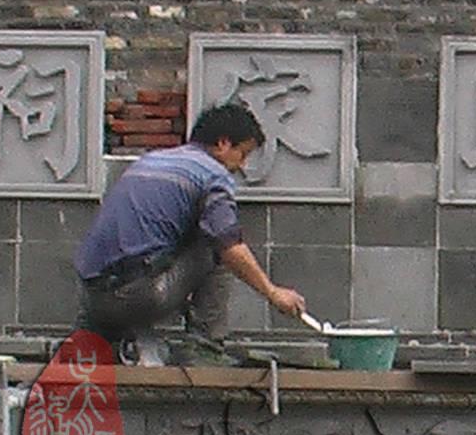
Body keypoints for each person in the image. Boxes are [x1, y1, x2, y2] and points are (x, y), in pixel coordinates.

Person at [73, 101, 307, 360]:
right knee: (217, 246)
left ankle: (91, 341)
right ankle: (204, 347)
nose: (241, 165)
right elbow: (230, 247)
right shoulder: (212, 175)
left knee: (172, 241)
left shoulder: (150, 161)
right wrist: (273, 293)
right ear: (223, 144)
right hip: (141, 295)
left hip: (92, 299)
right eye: (243, 154)